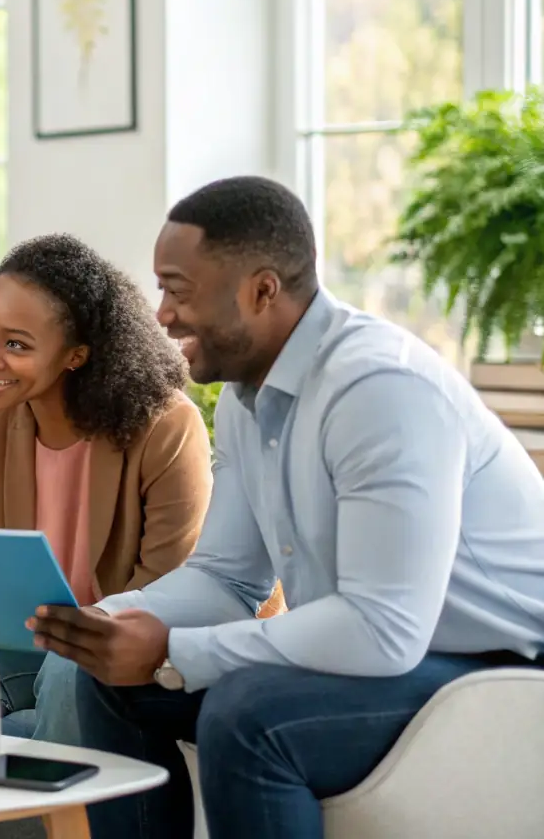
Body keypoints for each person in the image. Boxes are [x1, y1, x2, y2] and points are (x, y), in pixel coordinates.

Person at [29, 176, 544, 839]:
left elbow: (381, 628)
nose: (160, 314)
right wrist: (108, 621)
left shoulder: (378, 390)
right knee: (102, 680)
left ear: (261, 290)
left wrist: (173, 648)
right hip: (393, 651)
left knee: (249, 715)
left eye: (177, 289)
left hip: (503, 665)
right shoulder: (249, 398)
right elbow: (226, 577)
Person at [0, 234, 214, 735]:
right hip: (35, 640)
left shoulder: (167, 428)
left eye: (16, 344)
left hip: (138, 650)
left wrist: (77, 640)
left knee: (68, 673)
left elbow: (165, 593)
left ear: (76, 355)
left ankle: (42, 800)